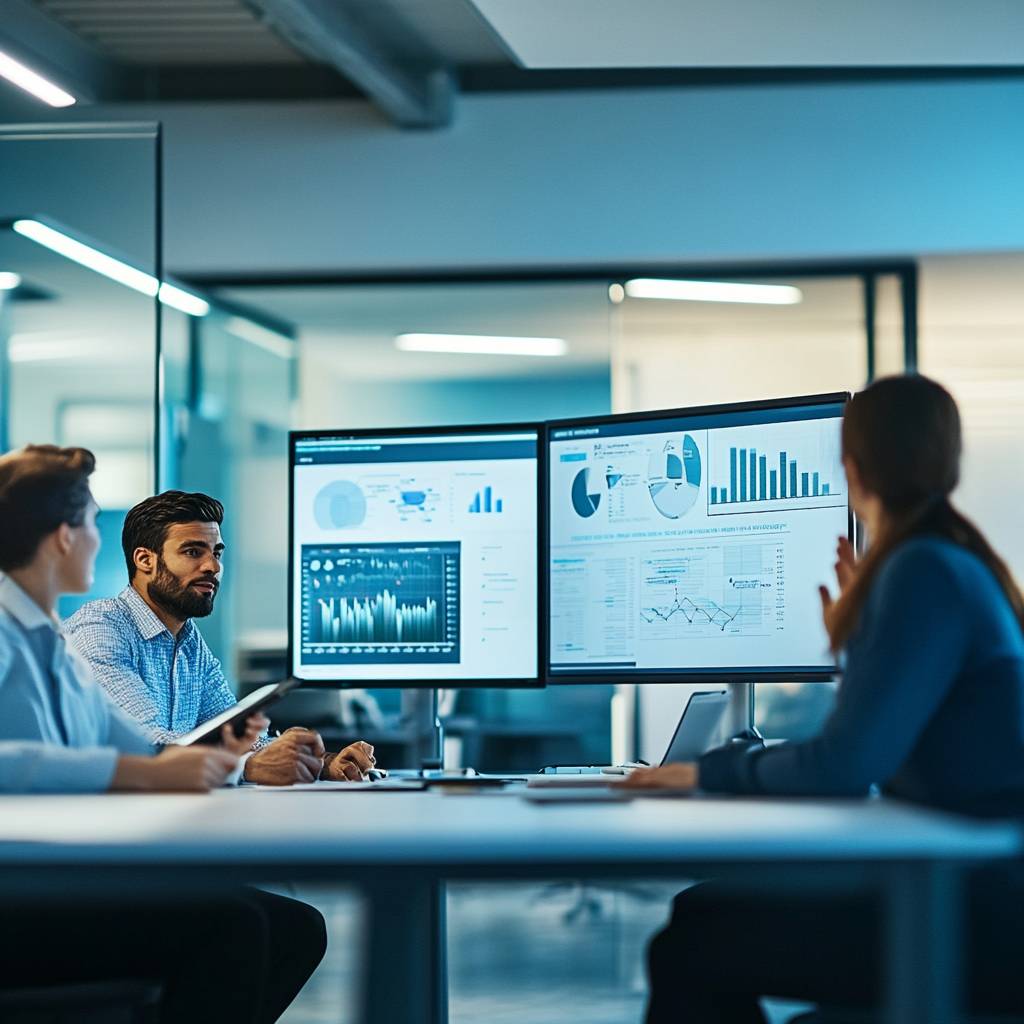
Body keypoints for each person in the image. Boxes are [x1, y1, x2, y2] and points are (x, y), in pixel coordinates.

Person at [625, 375, 1024, 1022]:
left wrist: (708, 772)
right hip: (968, 884)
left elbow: (846, 764)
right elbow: (892, 735)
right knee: (700, 916)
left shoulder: (923, 569)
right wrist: (864, 633)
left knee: (693, 939)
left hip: (976, 914)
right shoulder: (946, 559)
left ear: (851, 469)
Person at [0, 444, 327, 1022]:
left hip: (64, 875)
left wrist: (296, 759)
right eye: (91, 524)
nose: (101, 541)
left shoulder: (45, 637)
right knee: (234, 928)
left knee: (295, 926)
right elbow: (135, 755)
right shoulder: (23, 634)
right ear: (62, 537)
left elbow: (132, 737)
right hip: (23, 893)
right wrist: (142, 769)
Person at [66, 490, 375, 784]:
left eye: (216, 553)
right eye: (192, 552)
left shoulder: (188, 641)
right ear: (145, 560)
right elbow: (143, 741)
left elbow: (231, 732)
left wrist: (319, 763)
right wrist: (246, 766)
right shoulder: (101, 628)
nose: (212, 566)